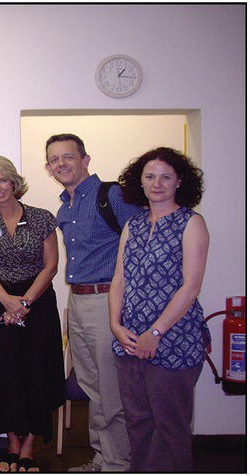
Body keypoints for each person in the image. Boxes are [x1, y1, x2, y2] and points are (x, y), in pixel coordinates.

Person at [45, 133, 141, 472]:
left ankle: (118, 462)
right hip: (78, 301)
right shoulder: (63, 207)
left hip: (107, 302)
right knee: (92, 386)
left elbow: (144, 241)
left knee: (110, 388)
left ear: (85, 159)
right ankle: (104, 457)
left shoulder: (112, 195)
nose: (62, 164)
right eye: (55, 160)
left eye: (68, 157)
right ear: (48, 167)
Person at [109, 147, 210, 471]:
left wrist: (155, 332)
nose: (157, 183)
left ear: (179, 181)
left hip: (173, 340)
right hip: (128, 339)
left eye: (166, 177)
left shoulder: (191, 223)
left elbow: (191, 286)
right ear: (140, 181)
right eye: (150, 176)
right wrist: (115, 324)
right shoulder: (134, 225)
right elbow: (119, 280)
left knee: (170, 426)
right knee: (138, 423)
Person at [0, 155, 64, 472]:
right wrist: (6, 300)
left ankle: (29, 446)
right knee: (4, 376)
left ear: (14, 182)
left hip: (36, 304)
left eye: (2, 180)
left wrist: (24, 303)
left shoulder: (41, 217)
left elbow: (51, 265)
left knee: (35, 374)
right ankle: (11, 442)